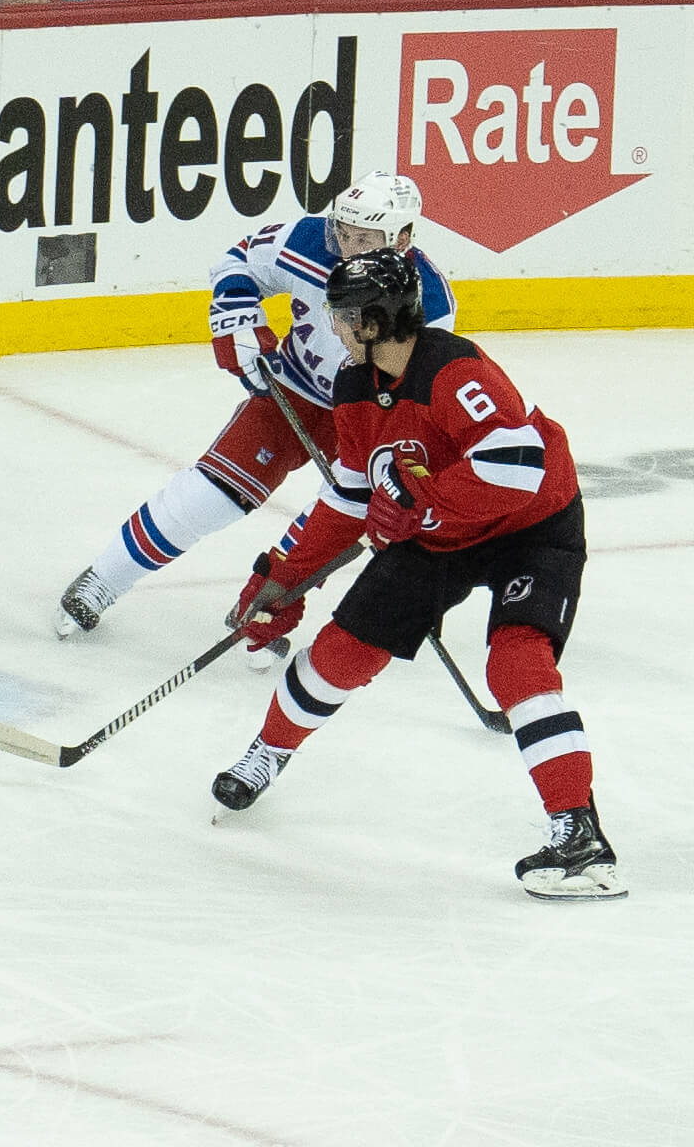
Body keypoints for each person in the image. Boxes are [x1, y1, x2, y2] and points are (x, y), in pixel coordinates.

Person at [211, 250, 622, 902]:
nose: (334, 328)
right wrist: (289, 579)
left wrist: (422, 504)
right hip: (438, 536)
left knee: (517, 666)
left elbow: (519, 467)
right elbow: (349, 497)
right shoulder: (354, 389)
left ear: (373, 322)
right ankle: (269, 750)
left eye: (343, 317)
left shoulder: (455, 372)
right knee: (341, 656)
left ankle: (579, 838)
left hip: (531, 528)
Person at [54, 172, 455, 651]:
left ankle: (269, 601)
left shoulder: (429, 302)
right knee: (210, 494)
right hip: (293, 390)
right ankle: (105, 579)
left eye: (364, 239)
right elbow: (240, 260)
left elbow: (415, 397)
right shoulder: (309, 241)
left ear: (402, 238)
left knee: (339, 516)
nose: (347, 245)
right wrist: (239, 318)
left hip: (368, 417)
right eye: (344, 232)